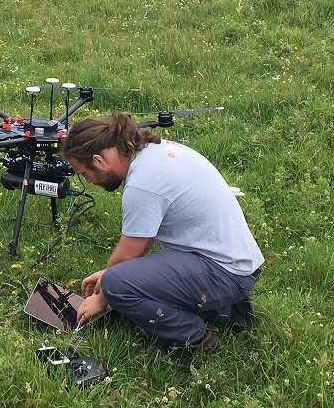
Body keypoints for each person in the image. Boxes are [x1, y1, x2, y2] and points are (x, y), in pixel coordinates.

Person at [60, 112, 264, 360]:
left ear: (99, 161)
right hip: (237, 262)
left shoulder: (141, 184)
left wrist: (102, 298)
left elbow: (126, 259)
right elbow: (145, 237)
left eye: (84, 174)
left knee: (117, 285)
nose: (88, 181)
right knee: (118, 278)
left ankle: (194, 339)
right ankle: (224, 311)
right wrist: (109, 275)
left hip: (225, 272)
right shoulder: (154, 153)